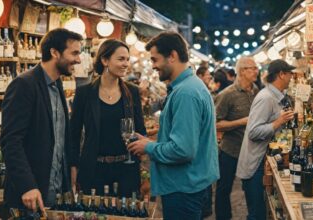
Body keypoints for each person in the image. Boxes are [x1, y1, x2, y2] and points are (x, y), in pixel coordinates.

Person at [127, 32, 219, 219]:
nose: (153, 66)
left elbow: (183, 150)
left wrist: (149, 147)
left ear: (172, 56)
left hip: (183, 188)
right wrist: (152, 140)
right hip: (190, 184)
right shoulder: (190, 86)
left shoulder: (185, 93)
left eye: (155, 59)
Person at [0, 28, 82, 212]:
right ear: (54, 52)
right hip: (31, 196)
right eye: (74, 53)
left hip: (56, 193)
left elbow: (60, 138)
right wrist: (27, 185)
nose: (78, 60)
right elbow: (10, 141)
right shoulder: (23, 84)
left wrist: (71, 170)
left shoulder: (57, 84)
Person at [70, 39, 146, 197]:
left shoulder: (132, 92)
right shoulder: (85, 93)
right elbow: (73, 134)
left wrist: (143, 169)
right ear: (104, 60)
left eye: (127, 59)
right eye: (120, 59)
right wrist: (73, 167)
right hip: (93, 169)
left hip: (126, 169)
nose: (126, 64)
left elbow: (140, 131)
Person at [236, 59, 296, 220]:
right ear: (281, 75)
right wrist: (278, 122)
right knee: (257, 214)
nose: (292, 77)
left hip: (266, 162)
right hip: (255, 166)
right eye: (290, 73)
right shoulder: (266, 98)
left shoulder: (279, 97)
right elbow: (253, 131)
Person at [214, 57, 259, 220]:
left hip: (251, 151)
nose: (256, 70)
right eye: (252, 68)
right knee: (224, 189)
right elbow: (216, 124)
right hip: (230, 151)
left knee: (251, 188)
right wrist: (242, 121)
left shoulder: (256, 91)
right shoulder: (227, 95)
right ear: (242, 71)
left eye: (256, 67)